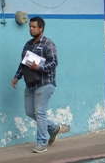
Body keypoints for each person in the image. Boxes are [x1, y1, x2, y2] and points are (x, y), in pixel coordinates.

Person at [12, 16, 68, 153]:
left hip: (45, 83)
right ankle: (54, 129)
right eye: (30, 27)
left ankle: (41, 143)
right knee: (30, 112)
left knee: (40, 113)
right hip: (30, 84)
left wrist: (39, 68)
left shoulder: (48, 44)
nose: (31, 29)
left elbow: (54, 62)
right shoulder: (28, 44)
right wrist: (17, 76)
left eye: (34, 27)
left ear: (41, 28)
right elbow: (23, 63)